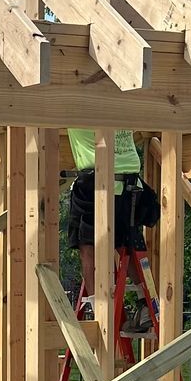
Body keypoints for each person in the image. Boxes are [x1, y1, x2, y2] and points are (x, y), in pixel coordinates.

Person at [65, 129, 159, 320]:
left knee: (88, 246)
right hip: (131, 187)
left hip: (96, 184)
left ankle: (97, 308)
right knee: (127, 243)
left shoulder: (76, 104)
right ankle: (145, 303)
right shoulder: (121, 103)